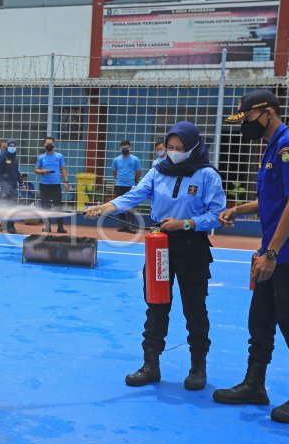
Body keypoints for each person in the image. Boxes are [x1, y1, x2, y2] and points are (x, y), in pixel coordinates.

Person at [85, 122, 226, 390]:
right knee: (156, 303)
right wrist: (106, 206)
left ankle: (198, 367)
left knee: (194, 307)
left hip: (192, 245)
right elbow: (136, 194)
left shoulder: (207, 175)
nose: (173, 153)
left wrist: (186, 223)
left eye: (180, 148)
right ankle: (151, 364)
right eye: (170, 147)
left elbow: (216, 215)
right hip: (159, 245)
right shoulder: (158, 170)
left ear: (193, 147)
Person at [213, 89, 289, 424]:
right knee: (261, 318)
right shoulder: (271, 148)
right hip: (273, 252)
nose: (245, 126)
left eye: (248, 118)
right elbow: (273, 201)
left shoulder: (288, 146)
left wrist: (271, 251)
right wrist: (239, 208)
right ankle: (255, 385)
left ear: (267, 113)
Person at [35, 136, 69, 233]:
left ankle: (60, 227)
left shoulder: (59, 156)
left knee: (58, 206)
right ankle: (47, 226)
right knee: (46, 207)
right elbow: (36, 170)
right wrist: (42, 171)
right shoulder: (41, 157)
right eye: (47, 143)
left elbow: (63, 169)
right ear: (44, 145)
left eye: (51, 143)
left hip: (56, 185)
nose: (49, 145)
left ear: (53, 144)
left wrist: (66, 182)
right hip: (44, 185)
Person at [111, 139, 142, 233]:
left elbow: (138, 172)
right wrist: (120, 180)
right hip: (119, 186)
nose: (125, 149)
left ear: (130, 148)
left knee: (131, 207)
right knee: (119, 206)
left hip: (131, 186)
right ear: (120, 148)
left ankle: (130, 226)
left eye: (127, 148)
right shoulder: (116, 160)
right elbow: (114, 173)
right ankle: (123, 226)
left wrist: (134, 181)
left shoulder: (135, 159)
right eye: (123, 148)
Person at [0, 139, 21, 234]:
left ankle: (11, 226)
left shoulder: (15, 158)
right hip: (4, 186)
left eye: (13, 145)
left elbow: (16, 172)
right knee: (5, 207)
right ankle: (4, 226)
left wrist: (21, 182)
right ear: (7, 146)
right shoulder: (2, 157)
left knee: (13, 207)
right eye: (10, 145)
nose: (12, 147)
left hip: (14, 187)